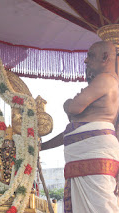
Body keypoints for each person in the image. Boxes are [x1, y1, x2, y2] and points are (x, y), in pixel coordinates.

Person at [41, 41, 119, 212]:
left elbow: (74, 107)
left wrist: (67, 104)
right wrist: (42, 147)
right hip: (86, 153)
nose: (85, 61)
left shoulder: (105, 79)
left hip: (96, 153)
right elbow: (75, 128)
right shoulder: (106, 82)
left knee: (100, 206)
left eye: (90, 55)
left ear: (105, 57)